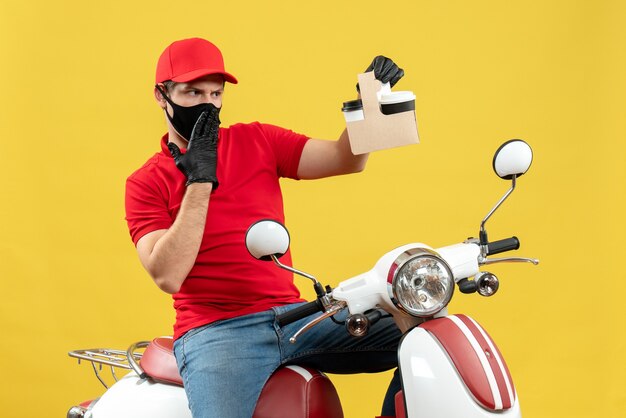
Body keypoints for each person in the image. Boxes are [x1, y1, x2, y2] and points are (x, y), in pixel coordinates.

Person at [125, 37, 406, 418]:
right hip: (217, 332)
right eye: (192, 93)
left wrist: (371, 103)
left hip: (296, 318)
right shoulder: (145, 182)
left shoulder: (257, 140)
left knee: (425, 333)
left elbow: (346, 159)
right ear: (162, 96)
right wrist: (199, 180)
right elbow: (169, 275)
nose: (207, 103)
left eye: (214, 93)